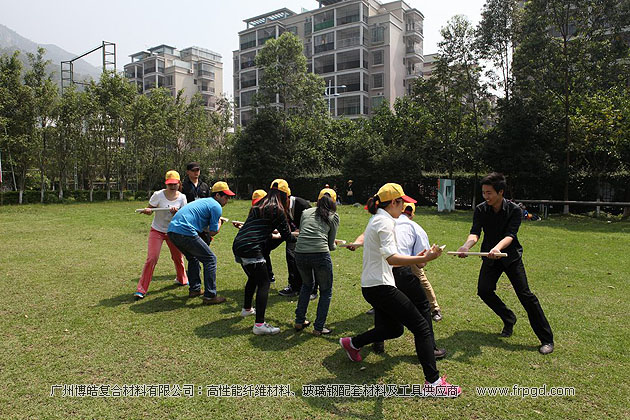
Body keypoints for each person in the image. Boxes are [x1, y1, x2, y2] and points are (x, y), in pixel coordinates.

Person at [339, 183, 461, 396]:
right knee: (422, 327)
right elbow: (393, 259)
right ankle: (433, 383)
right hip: (380, 286)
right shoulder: (384, 224)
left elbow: (392, 260)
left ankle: (352, 343)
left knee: (395, 329)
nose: (404, 207)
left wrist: (420, 256)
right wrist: (424, 258)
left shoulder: (378, 220)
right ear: (393, 203)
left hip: (373, 285)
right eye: (402, 202)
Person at [457, 172, 554, 355]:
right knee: (484, 290)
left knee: (525, 296)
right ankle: (509, 318)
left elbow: (511, 235)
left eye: (489, 193)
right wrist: (466, 246)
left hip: (510, 257)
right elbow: (475, 232)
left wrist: (498, 248)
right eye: (484, 193)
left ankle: (546, 339)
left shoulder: (515, 210)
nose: (486, 197)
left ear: (500, 192)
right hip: (489, 256)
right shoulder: (481, 209)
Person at [349, 202, 446, 357]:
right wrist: (426, 257)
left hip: (379, 276)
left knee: (383, 307)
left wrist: (356, 242)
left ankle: (377, 342)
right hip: (398, 270)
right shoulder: (414, 227)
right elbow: (420, 263)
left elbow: (365, 236)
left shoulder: (376, 220)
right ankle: (431, 349)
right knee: (422, 306)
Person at [233, 182, 296, 335]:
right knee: (264, 282)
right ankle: (259, 325)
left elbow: (259, 228)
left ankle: (247, 309)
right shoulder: (278, 210)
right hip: (251, 247)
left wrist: (273, 234)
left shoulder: (259, 205)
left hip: (239, 244)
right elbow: (288, 237)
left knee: (254, 279)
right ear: (284, 195)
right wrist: (303, 236)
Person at [167, 181, 235, 305]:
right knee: (210, 259)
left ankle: (195, 289)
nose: (227, 200)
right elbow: (213, 232)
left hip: (172, 231)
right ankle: (210, 296)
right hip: (185, 231)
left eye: (228, 197)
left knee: (193, 258)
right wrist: (219, 223)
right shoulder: (216, 206)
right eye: (225, 197)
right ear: (217, 195)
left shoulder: (204, 202)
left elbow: (202, 226)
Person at [134, 170, 188, 300]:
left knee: (178, 257)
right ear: (166, 184)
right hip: (157, 230)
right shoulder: (158, 195)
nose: (172, 186)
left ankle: (182, 279)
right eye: (170, 184)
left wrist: (176, 213)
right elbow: (150, 209)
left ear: (179, 183)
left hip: (173, 231)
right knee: (152, 258)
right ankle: (141, 289)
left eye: (175, 184)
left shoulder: (182, 197)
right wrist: (147, 211)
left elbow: (183, 217)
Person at [294, 188, 340, 336]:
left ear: (318, 199)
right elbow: (331, 245)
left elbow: (302, 232)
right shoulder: (333, 216)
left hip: (300, 253)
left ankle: (299, 321)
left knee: (307, 285)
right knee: (325, 291)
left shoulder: (306, 212)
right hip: (320, 254)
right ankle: (318, 327)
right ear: (334, 200)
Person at [276, 181, 314, 298]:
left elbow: (313, 222)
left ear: (287, 197)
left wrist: (300, 230)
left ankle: (312, 289)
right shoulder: (279, 206)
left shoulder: (302, 205)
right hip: (293, 235)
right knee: (291, 256)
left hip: (307, 236)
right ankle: (294, 286)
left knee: (308, 260)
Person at [181, 162, 211, 244]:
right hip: (189, 219)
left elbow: (209, 202)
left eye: (197, 170)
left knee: (205, 243)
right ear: (187, 172)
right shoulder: (183, 186)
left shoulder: (204, 186)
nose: (196, 172)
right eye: (193, 170)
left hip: (203, 219)